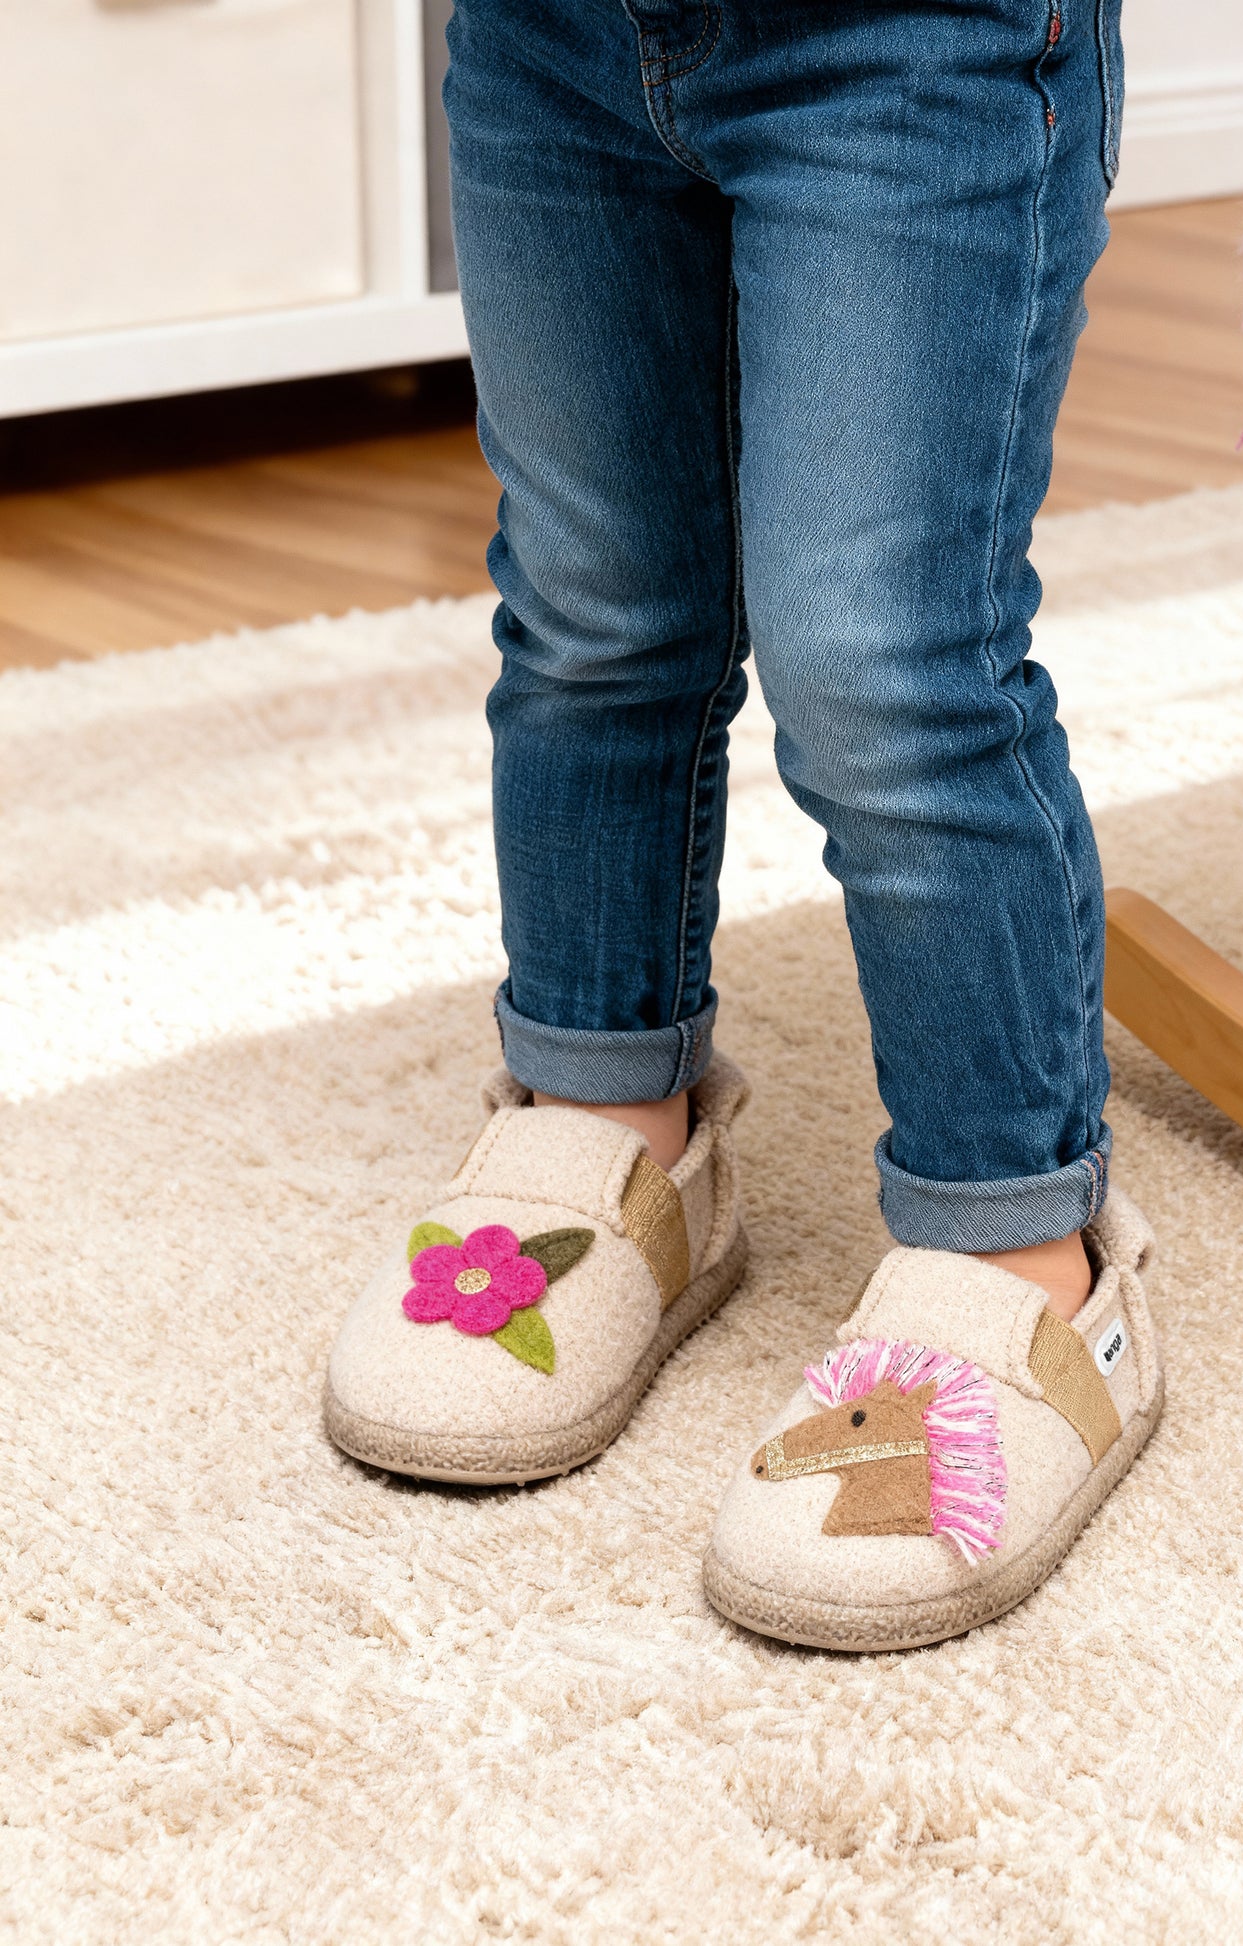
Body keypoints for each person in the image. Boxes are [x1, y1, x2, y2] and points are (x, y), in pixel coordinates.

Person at [322, 0, 1165, 1652]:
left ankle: (1024, 1246)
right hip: (547, 37)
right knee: (594, 612)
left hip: (910, 44)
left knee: (887, 668)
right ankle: (611, 1106)